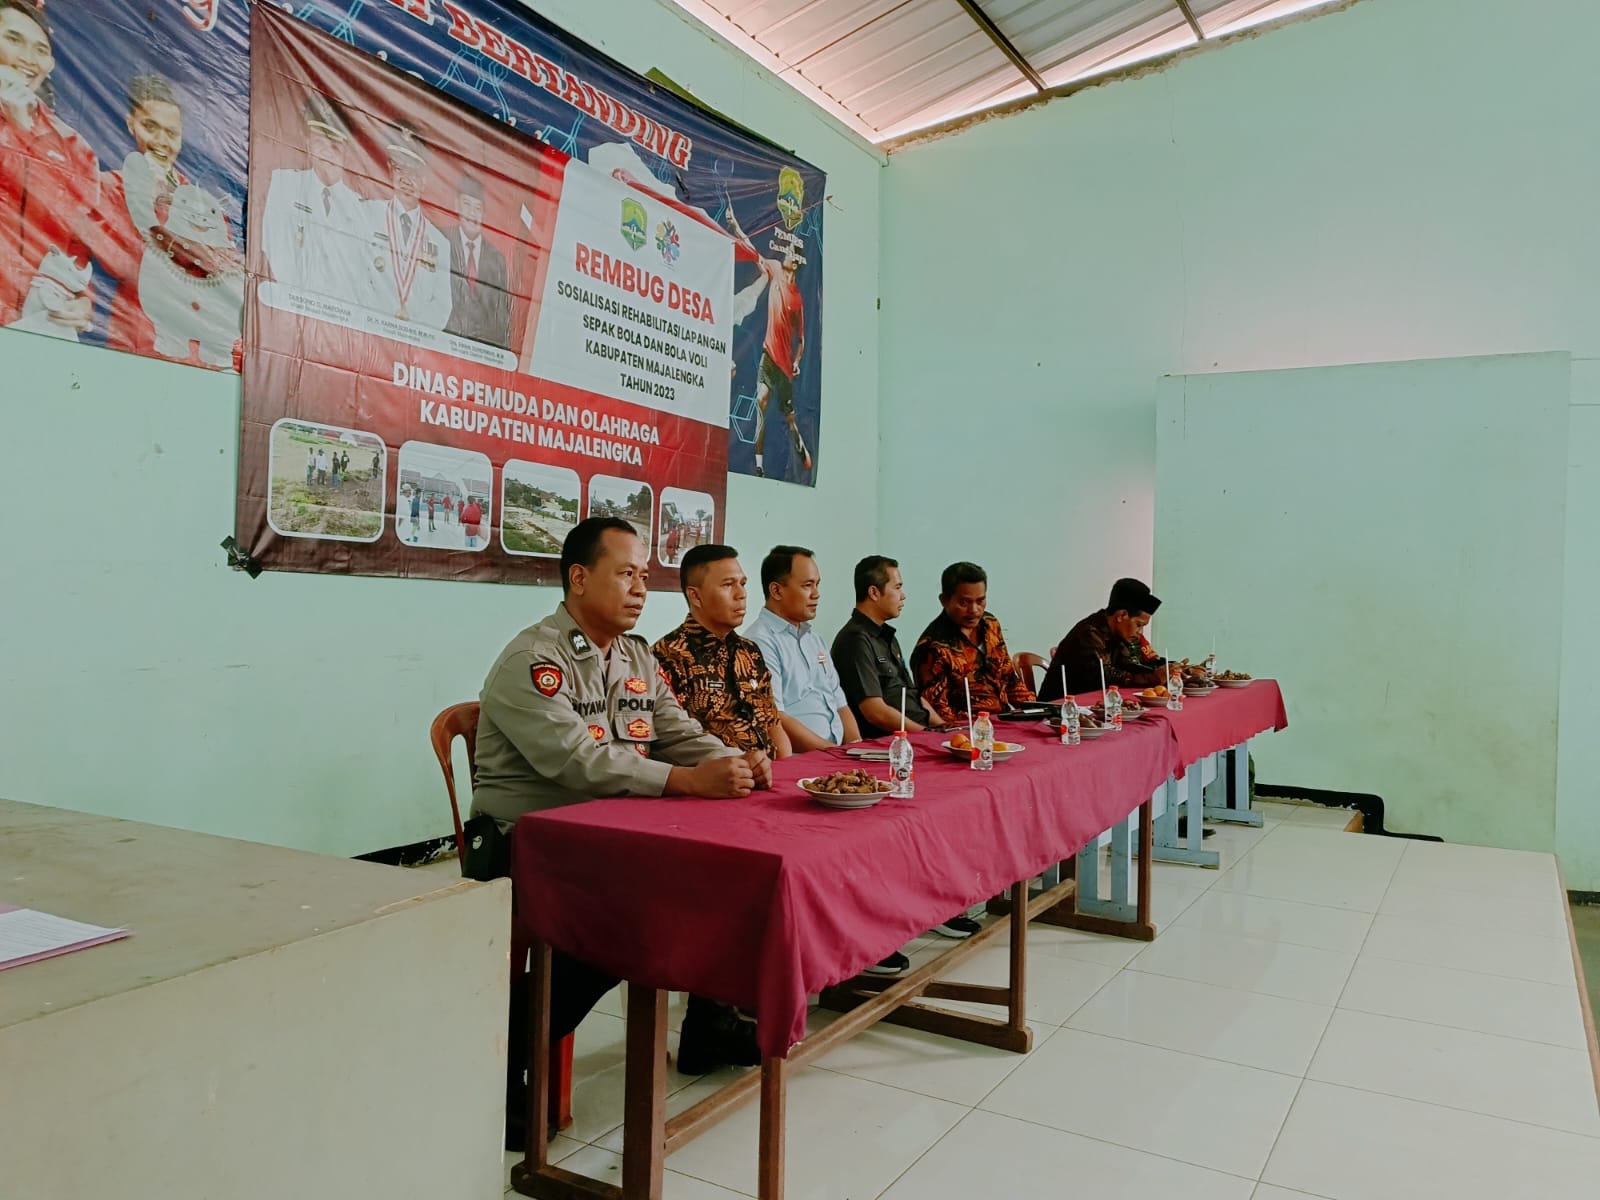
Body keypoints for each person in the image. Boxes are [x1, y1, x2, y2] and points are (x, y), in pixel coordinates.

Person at [470, 517, 770, 1146]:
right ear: (580, 579)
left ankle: (710, 1019)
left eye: (644, 576)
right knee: (629, 920)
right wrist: (686, 781)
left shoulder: (634, 655)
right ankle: (499, 1062)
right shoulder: (535, 659)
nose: (639, 589)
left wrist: (733, 761)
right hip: (525, 840)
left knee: (704, 882)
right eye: (626, 574)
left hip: (609, 834)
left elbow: (676, 730)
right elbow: (577, 761)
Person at [85, 73, 243, 368]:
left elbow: (224, 284)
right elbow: (119, 264)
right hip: (138, 346)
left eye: (171, 133)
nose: (161, 141)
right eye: (150, 127)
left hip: (199, 360)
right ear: (130, 123)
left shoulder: (204, 206)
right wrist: (144, 198)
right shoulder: (110, 187)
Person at [0, 0, 98, 336]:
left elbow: (77, 245)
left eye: (40, 49)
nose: (29, 58)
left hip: (38, 330)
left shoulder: (74, 147)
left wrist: (83, 299)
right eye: (13, 39)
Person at [745, 545, 858, 753]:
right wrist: (835, 753)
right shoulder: (759, 642)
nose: (816, 594)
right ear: (776, 590)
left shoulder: (814, 639)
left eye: (817, 585)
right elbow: (775, 717)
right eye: (807, 585)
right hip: (802, 759)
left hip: (837, 754)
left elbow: (839, 702)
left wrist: (857, 748)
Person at [724, 211, 810, 480]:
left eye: (791, 252)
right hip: (767, 356)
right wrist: (736, 226)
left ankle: (798, 439)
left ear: (796, 262)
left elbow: (802, 340)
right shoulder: (774, 269)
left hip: (784, 367)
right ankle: (759, 464)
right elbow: (753, 252)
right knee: (760, 402)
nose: (786, 254)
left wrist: (796, 362)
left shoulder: (798, 300)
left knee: (789, 418)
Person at [259, 92, 366, 304]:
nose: (327, 152)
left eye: (334, 145)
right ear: (307, 144)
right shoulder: (283, 184)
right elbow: (272, 247)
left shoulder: (361, 206)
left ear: (346, 151)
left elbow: (361, 272)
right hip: (290, 304)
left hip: (339, 312)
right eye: (320, 142)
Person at [832, 555, 952, 739]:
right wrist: (926, 735)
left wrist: (944, 729)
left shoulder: (887, 636)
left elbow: (914, 696)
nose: (903, 595)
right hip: (893, 742)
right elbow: (875, 712)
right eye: (897, 587)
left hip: (920, 733)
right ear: (874, 593)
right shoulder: (855, 640)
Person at [911, 561, 1036, 724]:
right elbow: (938, 713)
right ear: (944, 600)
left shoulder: (990, 624)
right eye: (964, 603)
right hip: (968, 729)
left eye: (980, 601)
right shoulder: (932, 648)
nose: (974, 610)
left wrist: (1038, 711)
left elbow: (1009, 678)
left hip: (1005, 720)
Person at [1038, 577, 1201, 700]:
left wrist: (1174, 669)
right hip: (1058, 711)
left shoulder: (1118, 634)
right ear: (1121, 615)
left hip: (1095, 707)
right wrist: (1154, 678)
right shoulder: (1089, 634)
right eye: (1139, 625)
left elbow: (1132, 665)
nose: (1140, 632)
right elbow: (1106, 676)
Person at [362, 125, 450, 328]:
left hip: (415, 341)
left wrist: (412, 333)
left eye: (414, 173)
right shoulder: (367, 214)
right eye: (400, 169)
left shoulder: (440, 242)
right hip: (371, 332)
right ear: (390, 171)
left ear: (424, 182)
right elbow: (356, 277)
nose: (407, 180)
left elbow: (442, 306)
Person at [444, 173, 511, 348]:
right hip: (445, 347)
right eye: (467, 204)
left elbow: (502, 317)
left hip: (483, 351)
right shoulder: (441, 240)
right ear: (456, 205)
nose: (472, 213)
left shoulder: (497, 259)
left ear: (484, 214)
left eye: (478, 208)